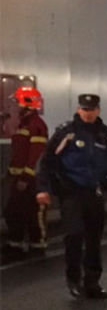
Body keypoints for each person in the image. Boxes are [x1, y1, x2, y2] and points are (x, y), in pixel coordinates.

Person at [36, 93, 107, 299]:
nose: (88, 114)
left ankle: (92, 282)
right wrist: (42, 188)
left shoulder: (105, 135)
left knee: (93, 239)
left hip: (95, 193)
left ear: (98, 110)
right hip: (71, 192)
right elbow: (46, 162)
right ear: (78, 110)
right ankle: (74, 279)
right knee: (74, 235)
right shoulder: (66, 133)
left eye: (92, 110)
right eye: (84, 110)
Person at [4, 86, 49, 253]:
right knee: (13, 212)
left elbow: (35, 156)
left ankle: (37, 245)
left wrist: (25, 178)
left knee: (33, 214)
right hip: (20, 179)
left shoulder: (36, 125)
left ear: (27, 104)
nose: (14, 105)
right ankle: (16, 244)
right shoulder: (24, 124)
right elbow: (19, 154)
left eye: (17, 102)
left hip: (31, 181)